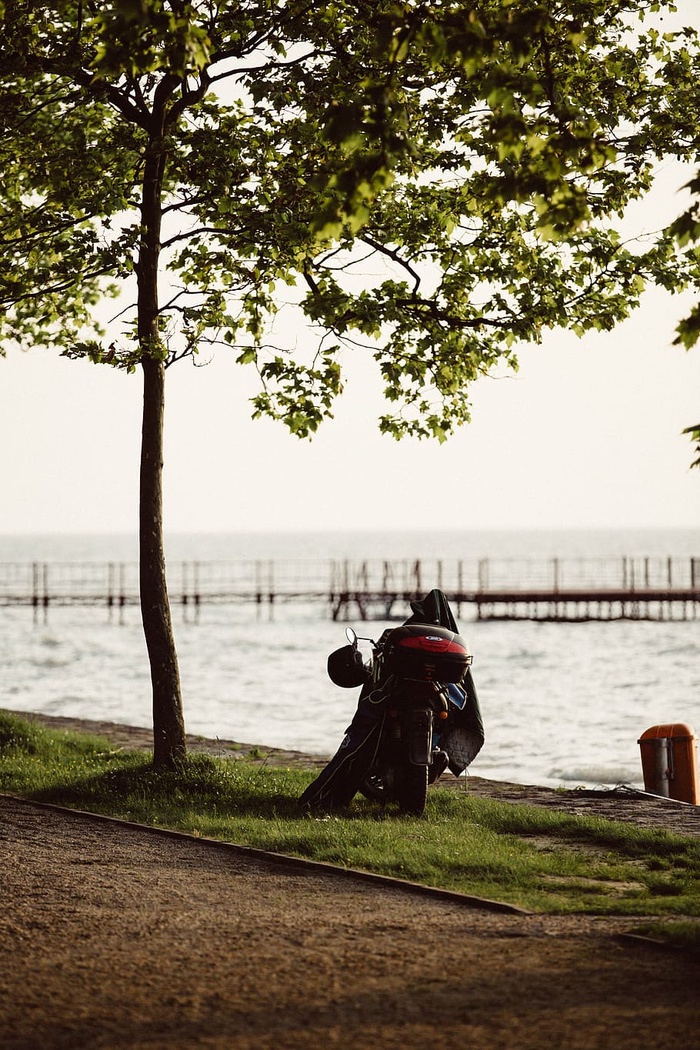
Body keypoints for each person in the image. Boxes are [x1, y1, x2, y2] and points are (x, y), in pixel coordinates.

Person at [299, 589, 484, 810]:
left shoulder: (395, 645)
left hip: (418, 724)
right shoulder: (442, 671)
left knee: (367, 733)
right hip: (433, 716)